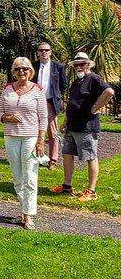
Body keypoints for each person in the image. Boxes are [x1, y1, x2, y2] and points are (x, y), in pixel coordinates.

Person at [51, 52, 114, 202]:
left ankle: (91, 191)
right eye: (76, 65)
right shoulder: (76, 82)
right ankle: (67, 186)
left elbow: (109, 91)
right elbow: (72, 103)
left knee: (90, 157)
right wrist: (65, 121)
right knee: (67, 155)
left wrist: (95, 108)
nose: (79, 67)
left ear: (88, 65)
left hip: (87, 126)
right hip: (72, 126)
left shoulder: (94, 78)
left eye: (82, 64)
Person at [0, 57, 48, 230]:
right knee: (17, 178)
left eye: (25, 69)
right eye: (18, 69)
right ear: (14, 71)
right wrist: (7, 117)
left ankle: (29, 215)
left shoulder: (37, 90)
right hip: (11, 136)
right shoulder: (7, 90)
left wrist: (41, 140)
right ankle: (23, 210)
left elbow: (43, 118)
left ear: (30, 71)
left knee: (30, 177)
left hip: (30, 138)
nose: (21, 72)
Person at [32, 42, 67, 170]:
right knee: (34, 130)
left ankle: (53, 160)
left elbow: (64, 85)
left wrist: (57, 96)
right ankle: (36, 156)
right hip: (35, 102)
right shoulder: (33, 66)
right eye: (41, 50)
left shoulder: (58, 67)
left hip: (50, 102)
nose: (44, 52)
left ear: (50, 52)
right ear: (38, 52)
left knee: (52, 132)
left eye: (46, 50)